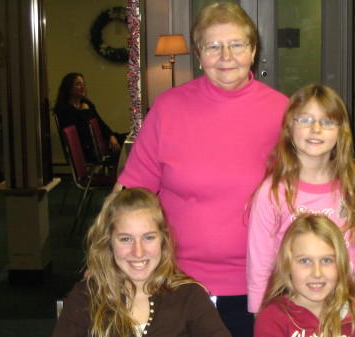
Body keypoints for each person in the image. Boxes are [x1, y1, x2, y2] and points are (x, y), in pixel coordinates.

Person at [114, 2, 289, 337]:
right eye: (213, 46)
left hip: (261, 285)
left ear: (253, 50)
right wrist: (114, 262)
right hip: (176, 282)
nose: (226, 55)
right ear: (198, 54)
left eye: (236, 44)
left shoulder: (283, 112)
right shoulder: (168, 109)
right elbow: (130, 195)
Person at [247, 84, 355, 337]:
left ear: (341, 131)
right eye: (305, 119)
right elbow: (261, 264)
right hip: (292, 309)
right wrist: (261, 317)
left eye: (327, 122)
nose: (316, 129)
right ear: (289, 127)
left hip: (344, 302)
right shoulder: (272, 192)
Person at [52, 187, 232, 337]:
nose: (138, 252)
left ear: (162, 240)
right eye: (125, 239)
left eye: (148, 238)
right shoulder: (87, 296)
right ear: (108, 243)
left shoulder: (189, 296)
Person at [254, 214, 355, 337]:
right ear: (287, 266)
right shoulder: (272, 319)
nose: (317, 273)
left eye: (326, 260)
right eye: (305, 261)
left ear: (340, 265)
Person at [54, 72, 125, 162]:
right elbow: (82, 134)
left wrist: (111, 136)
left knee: (134, 138)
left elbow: (100, 124)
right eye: (78, 84)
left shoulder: (87, 104)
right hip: (89, 149)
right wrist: (84, 112)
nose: (83, 87)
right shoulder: (64, 110)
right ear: (69, 88)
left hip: (101, 142)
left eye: (84, 84)